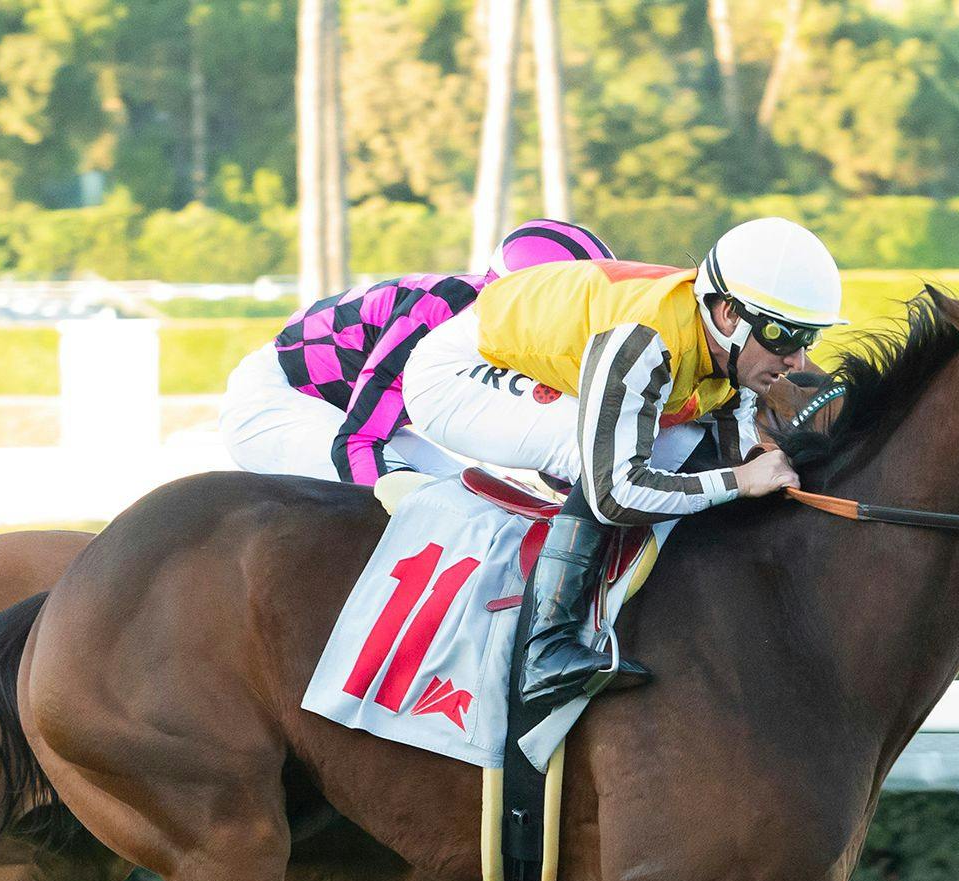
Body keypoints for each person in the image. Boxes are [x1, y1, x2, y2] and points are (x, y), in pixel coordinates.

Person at [398, 216, 844, 711]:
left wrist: (759, 470)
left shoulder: (726, 349)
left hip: (552, 357)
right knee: (588, 453)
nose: (798, 361)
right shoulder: (645, 337)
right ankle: (545, 648)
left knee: (689, 451)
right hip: (457, 375)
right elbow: (616, 493)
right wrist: (739, 479)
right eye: (783, 335)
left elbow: (734, 443)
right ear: (728, 315)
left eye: (810, 338)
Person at [220, 219, 615, 487]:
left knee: (482, 500)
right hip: (277, 398)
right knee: (428, 502)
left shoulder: (532, 336)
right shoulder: (440, 311)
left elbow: (548, 445)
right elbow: (357, 442)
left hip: (351, 414)